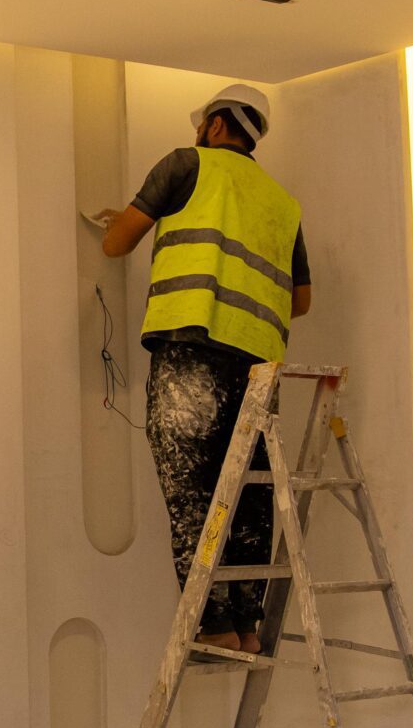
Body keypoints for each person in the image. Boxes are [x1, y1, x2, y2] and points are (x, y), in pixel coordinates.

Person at [90, 84, 309, 653]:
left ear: (214, 125)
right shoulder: (283, 204)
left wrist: (120, 222)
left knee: (194, 492)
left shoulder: (186, 165)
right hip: (260, 366)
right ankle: (247, 629)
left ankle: (212, 628)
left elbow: (117, 244)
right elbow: (302, 300)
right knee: (250, 498)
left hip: (193, 349)